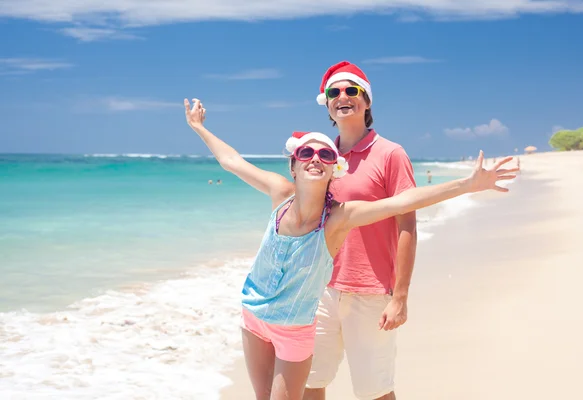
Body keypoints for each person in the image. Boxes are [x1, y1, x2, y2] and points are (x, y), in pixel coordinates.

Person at [183, 97, 516, 400]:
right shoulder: (280, 194)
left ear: (333, 169)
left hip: (296, 328)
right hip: (254, 316)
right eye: (306, 153)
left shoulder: (339, 219)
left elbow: (404, 201)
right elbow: (231, 161)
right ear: (293, 165)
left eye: (325, 154)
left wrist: (467, 185)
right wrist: (199, 127)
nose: (315, 159)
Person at [301, 61, 417, 400]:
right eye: (334, 93)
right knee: (309, 381)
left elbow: (407, 224)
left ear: (366, 101)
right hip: (322, 287)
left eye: (351, 91)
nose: (342, 97)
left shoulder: (390, 154)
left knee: (375, 392)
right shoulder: (323, 155)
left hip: (371, 291)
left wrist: (400, 296)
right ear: (327, 104)